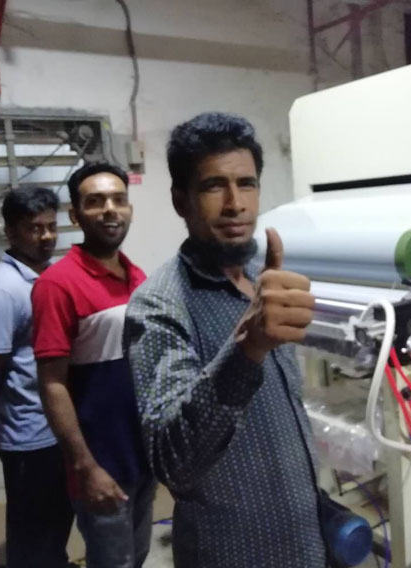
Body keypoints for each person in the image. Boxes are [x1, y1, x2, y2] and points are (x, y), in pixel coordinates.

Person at [125, 112, 326, 567]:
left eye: (246, 184)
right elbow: (173, 461)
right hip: (233, 552)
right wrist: (245, 349)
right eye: (214, 186)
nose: (236, 204)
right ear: (181, 200)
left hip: (304, 536)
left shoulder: (263, 277)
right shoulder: (158, 305)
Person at [32, 163, 155, 568]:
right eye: (96, 201)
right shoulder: (57, 284)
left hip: (142, 457)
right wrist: (85, 467)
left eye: (119, 200)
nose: (110, 210)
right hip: (102, 465)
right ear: (75, 215)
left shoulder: (137, 276)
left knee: (137, 556)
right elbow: (52, 384)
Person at [0, 186, 73, 568]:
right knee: (32, 533)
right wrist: (1, 406)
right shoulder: (2, 289)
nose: (46, 236)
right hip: (28, 436)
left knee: (57, 521)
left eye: (51, 227)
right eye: (35, 228)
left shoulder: (48, 276)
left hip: (57, 426)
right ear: (11, 231)